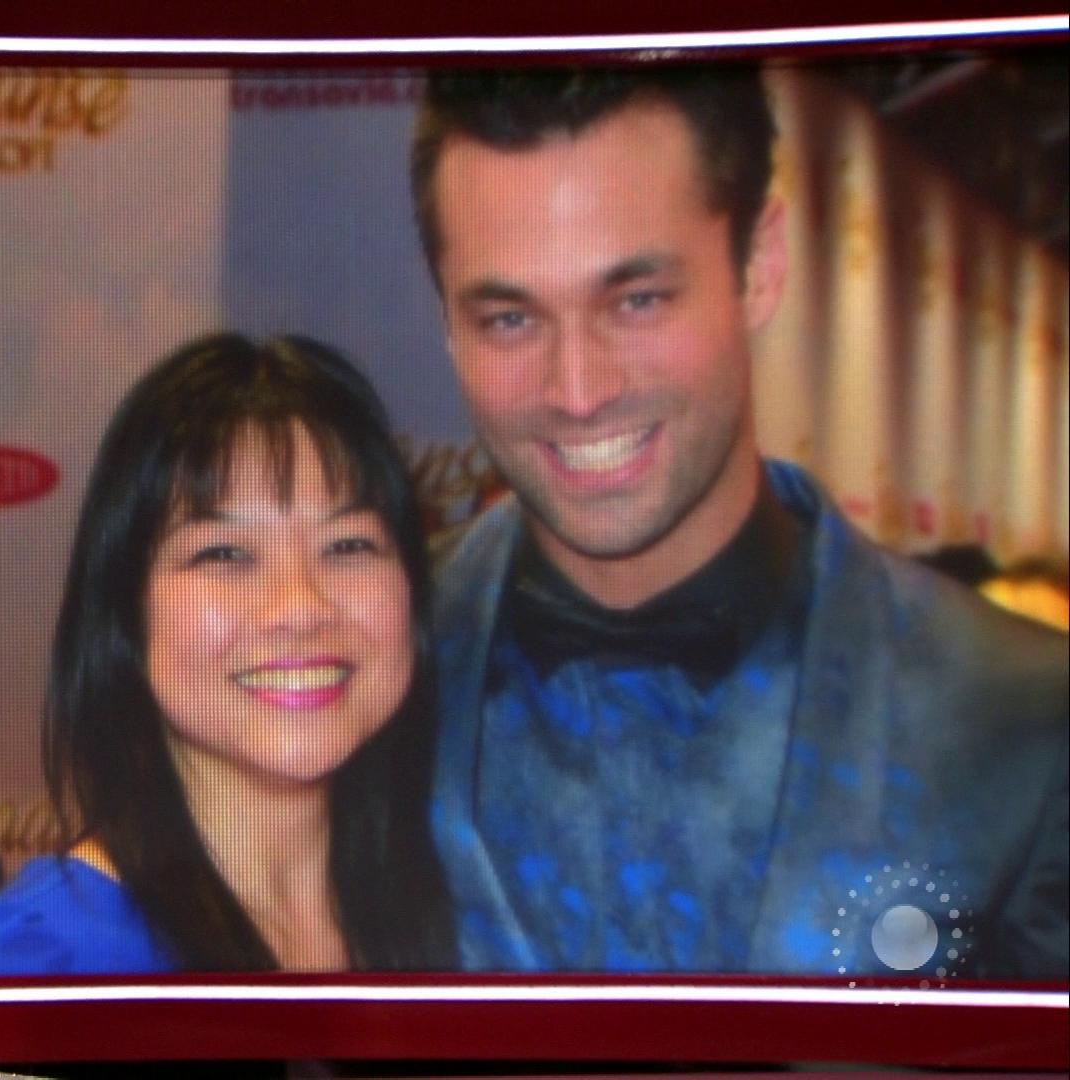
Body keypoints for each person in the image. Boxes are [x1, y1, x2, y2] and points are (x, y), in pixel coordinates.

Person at [408, 67, 1068, 977]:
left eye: (637, 300)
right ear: (447, 322)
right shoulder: (355, 676)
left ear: (759, 266)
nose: (579, 391)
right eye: (510, 317)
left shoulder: (1019, 716)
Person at [0, 333, 449, 976]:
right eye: (225, 554)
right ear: (126, 609)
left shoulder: (473, 920)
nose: (301, 606)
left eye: (348, 545)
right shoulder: (37, 973)